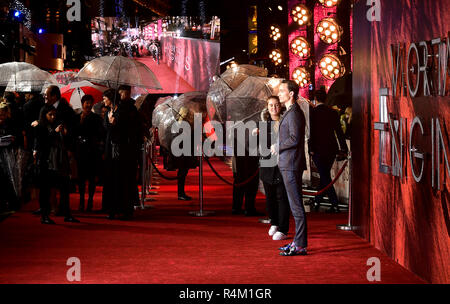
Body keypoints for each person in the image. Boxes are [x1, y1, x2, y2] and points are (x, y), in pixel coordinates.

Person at [276, 80, 308, 256]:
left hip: (291, 164)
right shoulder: (289, 112)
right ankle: (298, 241)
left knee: (296, 206)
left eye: (282, 91)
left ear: (291, 94)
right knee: (294, 205)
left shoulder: (295, 113)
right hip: (288, 163)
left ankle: (300, 245)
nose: (279, 93)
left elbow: (295, 139)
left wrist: (278, 145)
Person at [33, 105, 79, 224]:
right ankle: (45, 215)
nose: (53, 117)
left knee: (64, 188)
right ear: (44, 115)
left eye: (54, 114)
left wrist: (64, 133)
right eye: (50, 114)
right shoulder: (40, 126)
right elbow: (42, 143)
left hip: (60, 162)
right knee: (46, 191)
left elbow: (66, 141)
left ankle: (67, 214)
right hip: (46, 163)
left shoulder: (57, 124)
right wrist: (54, 132)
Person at [255, 96, 290, 240]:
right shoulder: (262, 124)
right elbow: (259, 148)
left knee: (282, 197)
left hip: (282, 164)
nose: (273, 108)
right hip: (267, 165)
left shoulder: (285, 121)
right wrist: (257, 135)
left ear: (280, 106)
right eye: (270, 105)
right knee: (269, 197)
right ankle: (274, 222)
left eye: (276, 105)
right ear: (267, 107)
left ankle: (283, 228)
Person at [102, 89, 140, 220]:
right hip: (110, 150)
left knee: (122, 180)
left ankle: (125, 210)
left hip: (122, 151)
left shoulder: (122, 113)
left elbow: (124, 131)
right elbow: (106, 130)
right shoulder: (108, 112)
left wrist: (114, 124)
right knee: (111, 180)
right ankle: (112, 209)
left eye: (105, 98)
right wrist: (110, 122)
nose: (103, 100)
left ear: (111, 99)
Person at [309, 89, 348, 213]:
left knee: (324, 175)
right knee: (325, 174)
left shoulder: (312, 113)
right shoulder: (333, 113)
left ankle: (332, 202)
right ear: (326, 99)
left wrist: (310, 148)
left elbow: (310, 133)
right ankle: (318, 200)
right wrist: (344, 148)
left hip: (317, 149)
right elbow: (339, 132)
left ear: (315, 99)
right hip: (331, 148)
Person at [73, 95, 105, 212]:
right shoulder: (76, 117)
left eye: (90, 103)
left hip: (92, 151)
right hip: (80, 151)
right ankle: (81, 201)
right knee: (81, 178)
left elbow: (101, 133)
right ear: (82, 104)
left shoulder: (96, 118)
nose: (88, 105)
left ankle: (90, 201)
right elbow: (74, 133)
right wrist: (80, 121)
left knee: (91, 178)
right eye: (86, 103)